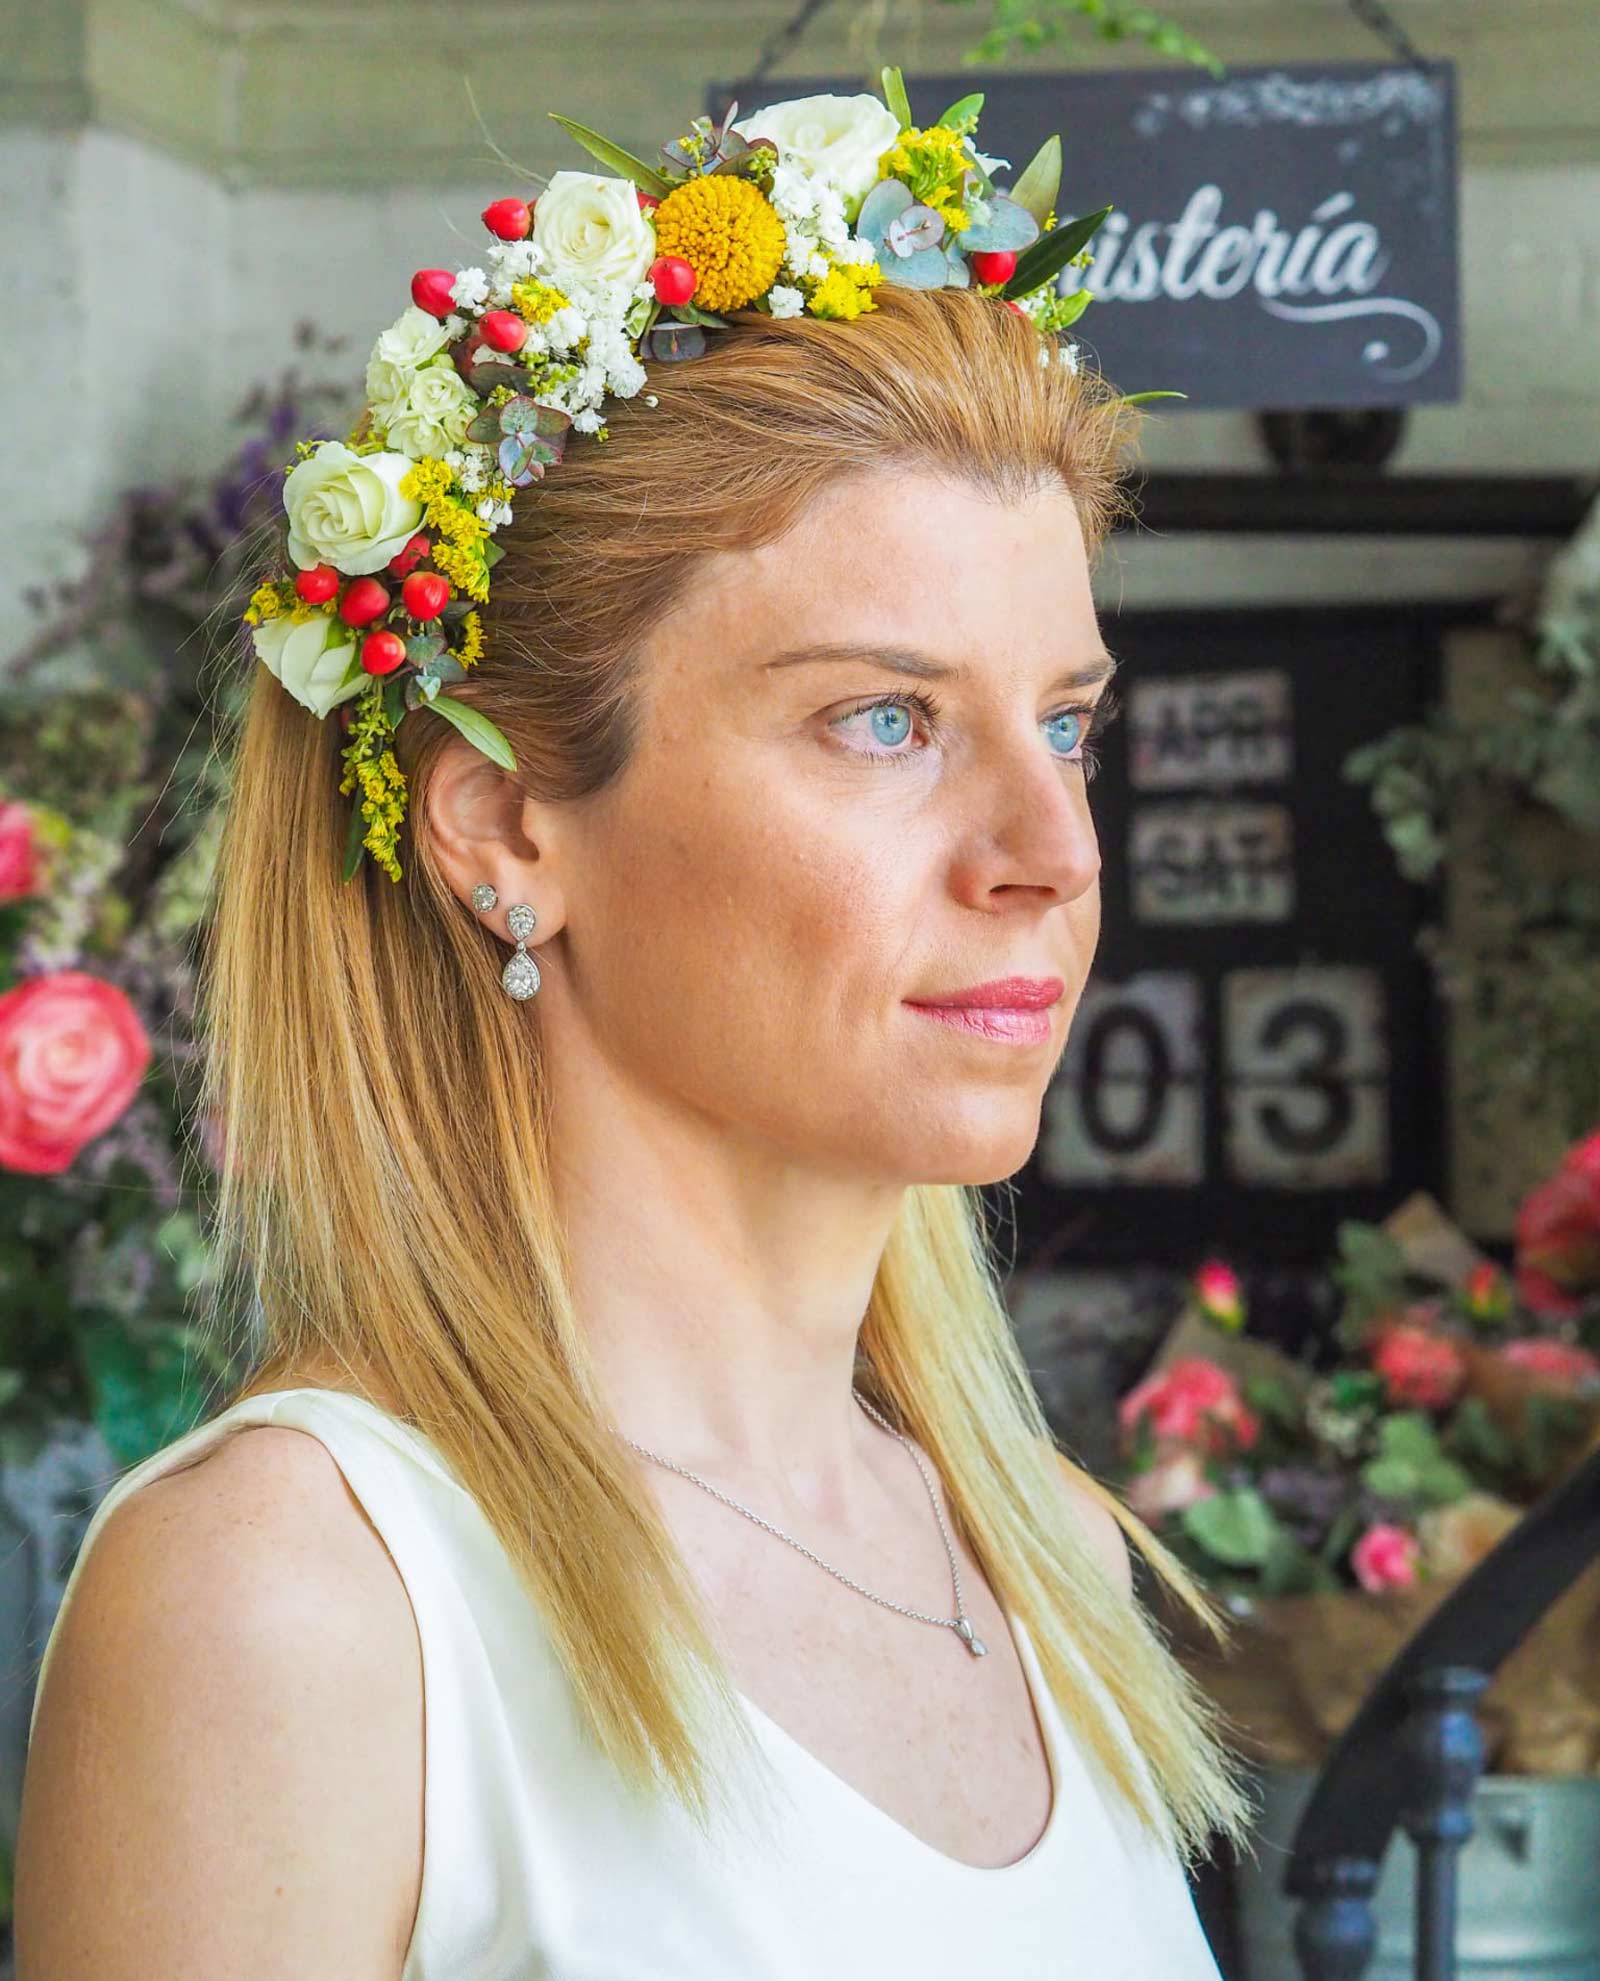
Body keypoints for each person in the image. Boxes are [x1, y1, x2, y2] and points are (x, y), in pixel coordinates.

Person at [17, 77, 1256, 1978]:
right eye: (886, 720)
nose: (1051, 850)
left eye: (1067, 720)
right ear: (508, 828)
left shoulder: (1055, 1567)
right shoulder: (300, 1600)